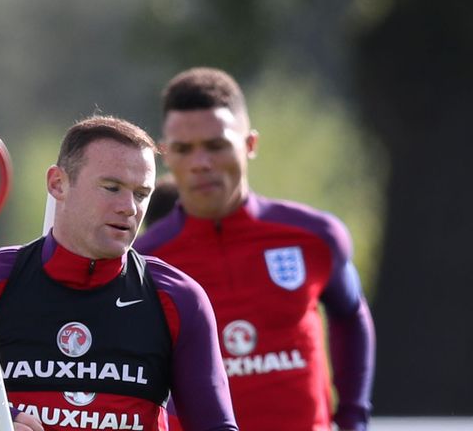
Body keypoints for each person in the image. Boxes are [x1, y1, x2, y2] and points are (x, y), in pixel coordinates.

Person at [0, 115, 238, 431]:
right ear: (58, 184)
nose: (129, 207)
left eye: (141, 193)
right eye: (111, 187)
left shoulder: (177, 297)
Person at [134, 68, 375, 431]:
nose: (201, 163)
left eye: (216, 145)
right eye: (184, 149)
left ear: (249, 144)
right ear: (166, 156)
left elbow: (351, 314)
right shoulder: (144, 262)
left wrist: (353, 417)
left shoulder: (314, 236)